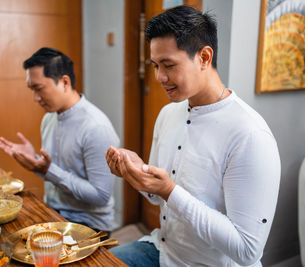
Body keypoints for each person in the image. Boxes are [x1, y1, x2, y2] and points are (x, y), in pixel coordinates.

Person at [106, 6, 280, 267]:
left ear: (204, 57)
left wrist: (170, 191)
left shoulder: (250, 135)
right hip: (164, 251)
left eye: (169, 65)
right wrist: (136, 172)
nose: (159, 77)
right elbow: (158, 196)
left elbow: (247, 251)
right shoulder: (167, 114)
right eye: (155, 66)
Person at [0, 47, 119, 234]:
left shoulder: (96, 127)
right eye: (32, 89)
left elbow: (100, 196)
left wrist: (47, 170)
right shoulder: (50, 117)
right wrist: (36, 161)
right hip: (54, 212)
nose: (35, 98)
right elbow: (58, 170)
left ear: (64, 82)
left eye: (39, 89)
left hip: (88, 224)